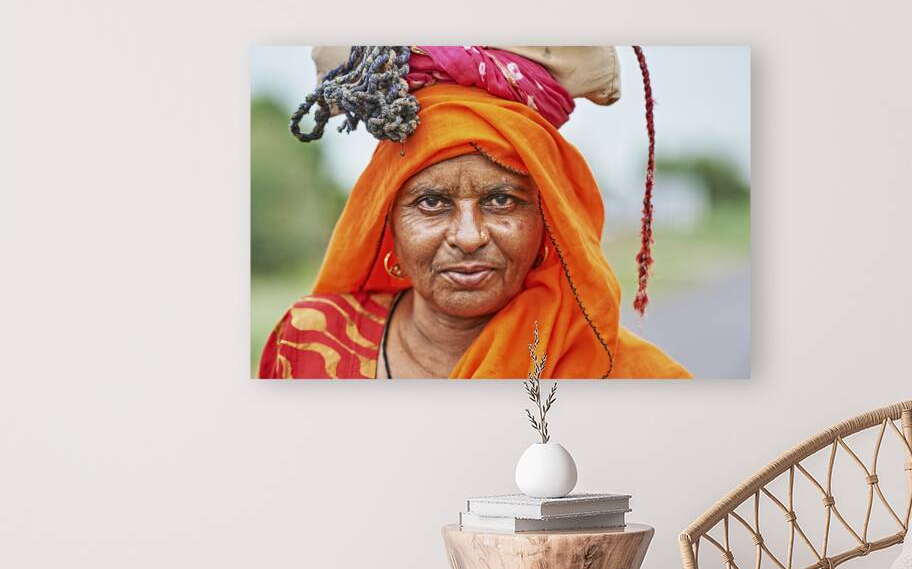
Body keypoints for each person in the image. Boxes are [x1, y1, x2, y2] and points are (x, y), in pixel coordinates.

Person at [258, 46, 691, 379]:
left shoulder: (637, 380)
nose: (468, 237)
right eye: (432, 202)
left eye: (502, 200)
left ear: (548, 223)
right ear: (387, 224)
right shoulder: (306, 342)